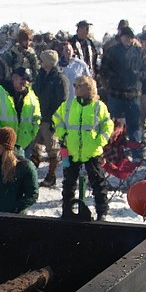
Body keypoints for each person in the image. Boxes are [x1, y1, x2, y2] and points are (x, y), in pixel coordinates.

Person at [53, 74, 113, 221]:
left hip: (91, 151)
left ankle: (102, 212)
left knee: (98, 183)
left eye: (80, 86)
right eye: (75, 85)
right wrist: (63, 135)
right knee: (68, 183)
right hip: (71, 150)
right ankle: (67, 210)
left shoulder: (99, 106)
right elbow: (57, 119)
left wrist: (99, 141)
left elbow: (108, 125)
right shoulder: (68, 105)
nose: (76, 89)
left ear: (89, 88)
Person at [100, 24, 146, 145]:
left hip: (133, 95)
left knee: (134, 126)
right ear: (120, 38)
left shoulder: (139, 52)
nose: (127, 39)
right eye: (125, 37)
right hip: (116, 94)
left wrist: (137, 75)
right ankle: (114, 152)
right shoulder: (112, 51)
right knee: (113, 125)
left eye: (130, 37)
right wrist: (114, 78)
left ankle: (135, 153)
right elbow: (103, 70)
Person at [0, 126, 39, 214]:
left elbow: (32, 194)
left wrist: (15, 208)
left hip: (14, 218)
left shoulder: (24, 167)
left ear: (5, 146)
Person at [0, 65, 42, 154]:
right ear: (14, 77)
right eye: (23, 79)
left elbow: (36, 118)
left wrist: (31, 135)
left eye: (28, 80)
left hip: (23, 145)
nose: (25, 83)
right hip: (2, 143)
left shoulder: (31, 96)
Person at [33, 49, 67, 186]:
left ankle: (51, 176)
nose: (40, 62)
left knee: (52, 150)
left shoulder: (59, 78)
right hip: (38, 117)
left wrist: (56, 120)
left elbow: (62, 101)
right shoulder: (40, 76)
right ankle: (33, 176)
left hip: (50, 120)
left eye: (42, 60)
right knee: (35, 148)